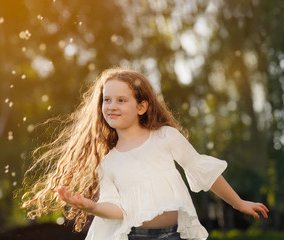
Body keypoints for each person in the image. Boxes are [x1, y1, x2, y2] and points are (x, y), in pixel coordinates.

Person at [21, 67, 269, 240]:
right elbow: (116, 210)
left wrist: (239, 203)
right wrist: (91, 207)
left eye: (121, 100)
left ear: (141, 106)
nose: (111, 106)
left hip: (176, 235)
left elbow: (202, 170)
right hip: (136, 236)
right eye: (107, 100)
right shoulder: (109, 163)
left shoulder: (165, 137)